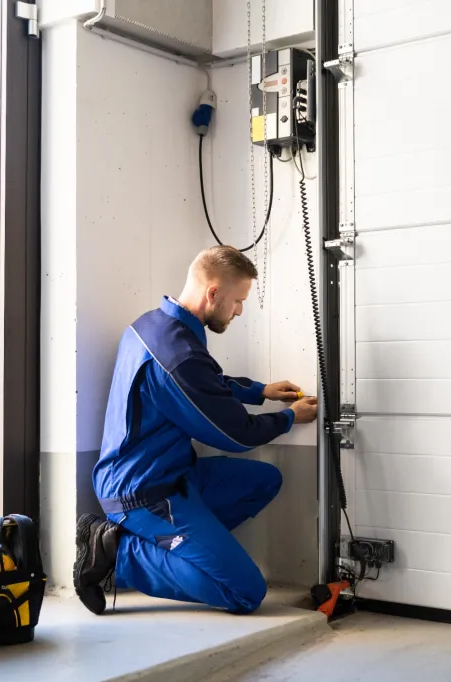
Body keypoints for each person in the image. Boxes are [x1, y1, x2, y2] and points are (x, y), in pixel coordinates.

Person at [73, 246, 319, 616]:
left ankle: (180, 552)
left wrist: (259, 391)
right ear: (213, 293)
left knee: (264, 480)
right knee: (245, 592)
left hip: (174, 474)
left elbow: (205, 383)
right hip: (142, 493)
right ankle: (118, 553)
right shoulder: (177, 355)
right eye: (238, 300)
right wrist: (288, 418)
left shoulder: (154, 325)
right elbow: (237, 435)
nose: (239, 311)